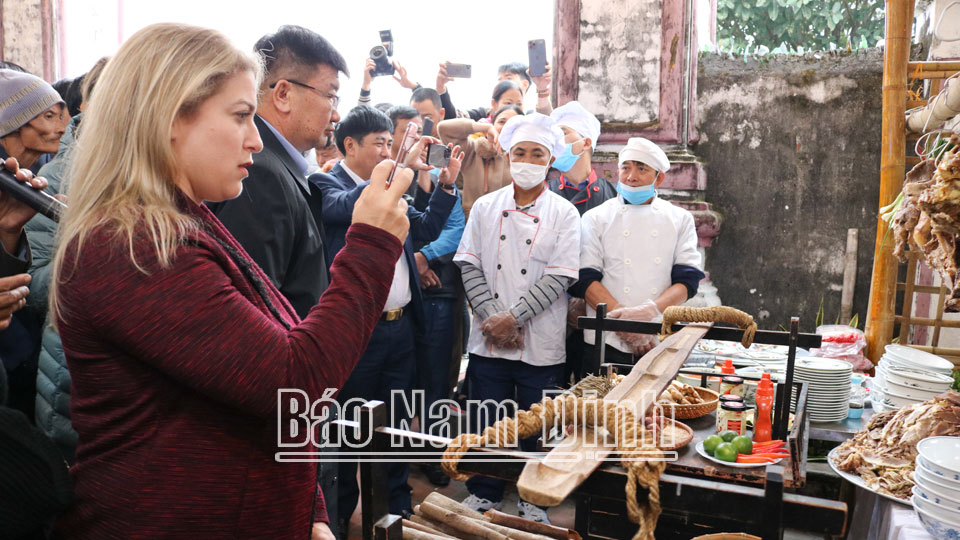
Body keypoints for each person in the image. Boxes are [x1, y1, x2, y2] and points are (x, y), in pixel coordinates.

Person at [45, 23, 416, 540]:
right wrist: (372, 245)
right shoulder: (135, 247)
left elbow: (252, 372)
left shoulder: (186, 221)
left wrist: (307, 507)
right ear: (168, 116)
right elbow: (292, 382)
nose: (256, 138)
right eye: (241, 115)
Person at [312, 105, 461, 525]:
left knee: (394, 428)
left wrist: (446, 188)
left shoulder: (393, 188)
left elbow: (426, 228)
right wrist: (395, 171)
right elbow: (341, 208)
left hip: (401, 330)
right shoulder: (324, 182)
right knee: (348, 430)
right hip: (356, 334)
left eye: (387, 143)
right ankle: (340, 519)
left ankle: (396, 509)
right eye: (378, 144)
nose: (385, 151)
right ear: (350, 145)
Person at [453, 113, 579, 524]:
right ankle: (484, 491)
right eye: (520, 152)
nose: (526, 159)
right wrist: (493, 318)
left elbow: (560, 276)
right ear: (509, 155)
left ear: (550, 160)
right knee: (487, 421)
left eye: (536, 153)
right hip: (489, 339)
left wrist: (515, 318)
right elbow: (468, 265)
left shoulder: (564, 214)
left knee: (536, 425)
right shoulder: (486, 207)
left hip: (540, 342)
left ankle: (533, 500)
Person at [207, 25, 347, 318]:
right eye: (331, 96)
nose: (335, 114)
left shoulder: (273, 167)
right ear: (283, 93)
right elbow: (251, 316)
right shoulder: (260, 174)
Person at [27, 57, 108, 463]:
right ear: (90, 106)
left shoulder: (155, 171)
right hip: (71, 383)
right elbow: (34, 282)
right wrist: (97, 258)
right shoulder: (57, 178)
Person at [571, 137, 705, 374]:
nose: (631, 176)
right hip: (606, 337)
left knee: (653, 409)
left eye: (641, 168)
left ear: (659, 178)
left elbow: (687, 280)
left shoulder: (679, 219)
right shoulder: (595, 218)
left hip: (657, 337)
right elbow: (585, 279)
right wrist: (625, 325)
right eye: (626, 167)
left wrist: (650, 313)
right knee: (599, 408)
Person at [0, 68, 68, 421]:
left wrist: (9, 231)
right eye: (48, 115)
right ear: (15, 122)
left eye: (62, 114)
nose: (62, 124)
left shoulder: (25, 179)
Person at [546, 101, 618, 381]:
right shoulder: (544, 193)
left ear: (586, 142)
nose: (556, 141)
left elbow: (615, 259)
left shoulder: (612, 198)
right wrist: (563, 301)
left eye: (563, 132)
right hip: (549, 312)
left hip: (596, 312)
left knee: (591, 399)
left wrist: (586, 300)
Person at [438, 104, 523, 217]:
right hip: (473, 225)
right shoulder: (474, 150)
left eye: (513, 124)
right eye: (502, 122)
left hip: (510, 227)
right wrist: (486, 128)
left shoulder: (524, 159)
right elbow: (443, 129)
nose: (505, 127)